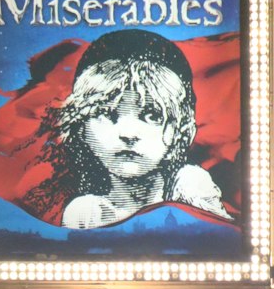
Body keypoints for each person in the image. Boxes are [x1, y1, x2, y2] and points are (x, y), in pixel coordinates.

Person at [38, 30, 229, 230]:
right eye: (107, 113)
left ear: (183, 131)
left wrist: (202, 207)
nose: (129, 134)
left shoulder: (193, 187)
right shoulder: (85, 212)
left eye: (152, 115)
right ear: (80, 126)